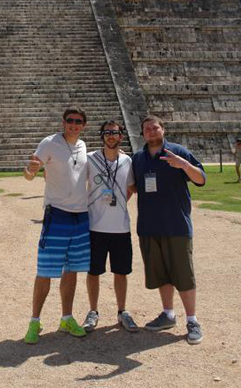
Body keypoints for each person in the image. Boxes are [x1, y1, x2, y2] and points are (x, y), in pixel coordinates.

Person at [131, 115, 206, 345]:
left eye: (155, 128)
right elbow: (132, 187)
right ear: (142, 133)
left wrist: (183, 165)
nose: (152, 132)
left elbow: (201, 179)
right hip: (149, 226)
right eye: (147, 129)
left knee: (183, 274)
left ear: (163, 130)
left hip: (176, 224)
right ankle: (168, 314)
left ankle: (192, 320)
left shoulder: (177, 152)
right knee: (161, 272)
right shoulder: (138, 158)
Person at [22, 107, 90, 344]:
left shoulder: (83, 148)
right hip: (57, 215)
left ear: (84, 125)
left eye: (78, 121)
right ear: (63, 122)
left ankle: (66, 317)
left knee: (71, 270)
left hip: (81, 217)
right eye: (70, 120)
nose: (73, 124)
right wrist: (30, 170)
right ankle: (34, 321)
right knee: (45, 271)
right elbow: (31, 171)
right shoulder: (49, 143)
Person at [81, 120, 139, 333]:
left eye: (115, 133)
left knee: (121, 272)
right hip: (95, 227)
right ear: (102, 136)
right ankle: (93, 311)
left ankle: (122, 311)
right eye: (107, 133)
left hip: (120, 227)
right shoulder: (90, 159)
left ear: (121, 136)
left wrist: (119, 203)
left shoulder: (128, 161)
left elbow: (131, 187)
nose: (111, 136)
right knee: (93, 272)